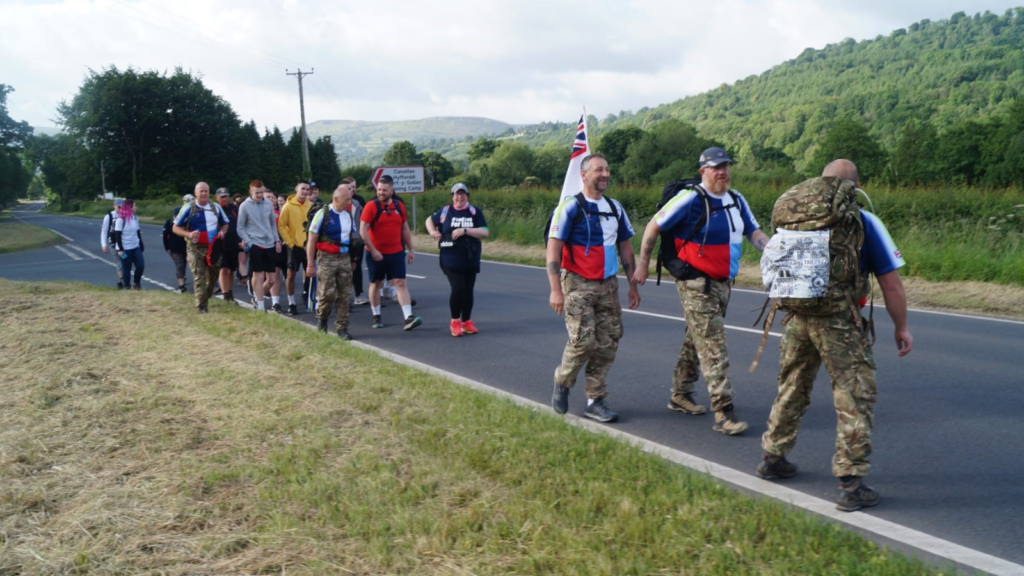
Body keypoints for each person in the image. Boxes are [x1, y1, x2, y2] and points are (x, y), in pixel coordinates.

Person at [757, 159, 913, 512]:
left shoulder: (795, 217)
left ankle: (772, 457)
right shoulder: (862, 221)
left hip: (797, 315)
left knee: (792, 386)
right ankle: (851, 482)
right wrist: (901, 327)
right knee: (854, 394)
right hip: (838, 320)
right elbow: (891, 284)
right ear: (855, 187)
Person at [632, 147, 768, 436]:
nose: (723, 171)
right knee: (713, 343)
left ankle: (680, 394)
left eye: (726, 166)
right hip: (695, 282)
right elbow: (653, 226)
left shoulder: (736, 199)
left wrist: (772, 250)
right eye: (716, 167)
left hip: (723, 283)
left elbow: (753, 233)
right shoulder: (691, 198)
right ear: (702, 170)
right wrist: (643, 264)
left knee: (697, 339)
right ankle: (724, 411)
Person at [547, 153, 640, 423]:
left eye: (608, 169)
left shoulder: (615, 208)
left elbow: (625, 247)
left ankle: (595, 399)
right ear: (584, 174)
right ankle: (563, 381)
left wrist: (632, 285)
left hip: (608, 284)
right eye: (599, 169)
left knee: (608, 341)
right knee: (583, 341)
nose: (605, 174)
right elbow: (554, 249)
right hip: (576, 283)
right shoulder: (570, 207)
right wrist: (555, 290)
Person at [358, 175, 421, 330]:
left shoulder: (399, 206)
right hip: (376, 253)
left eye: (384, 190)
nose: (381, 193)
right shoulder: (371, 206)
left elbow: (404, 228)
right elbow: (362, 230)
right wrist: (373, 250)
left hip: (396, 252)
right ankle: (376, 316)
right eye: (379, 189)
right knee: (376, 283)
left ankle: (408, 318)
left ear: (391, 191)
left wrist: (411, 249)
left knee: (400, 282)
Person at [426, 182, 489, 336]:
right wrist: (433, 232)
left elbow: (485, 232)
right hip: (450, 257)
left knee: (468, 290)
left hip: (470, 257)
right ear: (452, 196)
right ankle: (455, 321)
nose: (459, 197)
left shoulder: (474, 212)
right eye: (456, 194)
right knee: (458, 288)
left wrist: (465, 230)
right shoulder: (445, 211)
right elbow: (429, 220)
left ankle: (467, 322)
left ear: (467, 196)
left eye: (462, 194)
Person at [306, 184, 356, 340]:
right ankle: (322, 320)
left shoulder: (348, 215)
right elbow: (311, 240)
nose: (349, 202)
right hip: (326, 258)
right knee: (327, 293)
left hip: (344, 258)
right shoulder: (323, 214)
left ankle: (342, 327)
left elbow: (352, 238)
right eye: (346, 199)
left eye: (350, 199)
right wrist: (310, 264)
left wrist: (354, 259)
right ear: (336, 199)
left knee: (344, 294)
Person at [173, 182, 230, 313]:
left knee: (213, 278)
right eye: (201, 191)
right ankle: (202, 306)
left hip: (213, 248)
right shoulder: (188, 208)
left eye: (206, 191)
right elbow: (175, 227)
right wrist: (188, 234)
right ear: (195, 193)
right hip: (194, 247)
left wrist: (223, 232)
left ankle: (205, 297)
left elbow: (225, 224)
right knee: (199, 276)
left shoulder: (215, 207)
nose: (204, 193)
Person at [238, 180, 283, 312]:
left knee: (272, 280)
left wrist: (277, 240)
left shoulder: (268, 203)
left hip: (269, 243)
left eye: (262, 192)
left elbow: (272, 224)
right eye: (257, 192)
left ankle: (258, 298)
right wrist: (250, 243)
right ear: (250, 192)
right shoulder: (244, 206)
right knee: (259, 276)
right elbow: (240, 228)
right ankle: (261, 306)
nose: (260, 195)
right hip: (255, 243)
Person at [278, 181, 312, 315]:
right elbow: (281, 226)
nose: (305, 191)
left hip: (308, 246)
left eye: (307, 189)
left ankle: (309, 297)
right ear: (296, 189)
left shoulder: (311, 206)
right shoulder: (288, 206)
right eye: (302, 188)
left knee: (311, 273)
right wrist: (290, 244)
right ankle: (291, 302)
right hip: (294, 246)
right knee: (290, 274)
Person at [344, 177, 369, 306]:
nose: (352, 190)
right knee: (342, 269)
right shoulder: (333, 203)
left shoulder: (358, 202)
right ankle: (343, 297)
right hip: (342, 242)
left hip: (356, 240)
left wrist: (362, 237)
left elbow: (364, 221)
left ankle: (359, 294)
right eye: (349, 188)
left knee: (356, 266)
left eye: (353, 187)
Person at [215, 187, 241, 303]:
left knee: (231, 270)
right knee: (223, 270)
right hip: (220, 245)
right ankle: (225, 295)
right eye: (221, 197)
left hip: (234, 244)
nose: (224, 199)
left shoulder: (234, 209)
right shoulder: (214, 210)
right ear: (217, 198)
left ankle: (230, 293)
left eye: (225, 196)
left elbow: (240, 225)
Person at [113, 199, 145, 290]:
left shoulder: (135, 218)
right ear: (129, 207)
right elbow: (117, 235)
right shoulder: (120, 220)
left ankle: (136, 283)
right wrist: (120, 249)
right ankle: (126, 286)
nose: (136, 207)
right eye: (134, 205)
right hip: (124, 249)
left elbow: (138, 232)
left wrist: (141, 244)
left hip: (135, 246)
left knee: (140, 265)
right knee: (127, 267)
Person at [100, 197, 126, 289]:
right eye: (119, 207)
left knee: (125, 260)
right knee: (119, 262)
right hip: (113, 244)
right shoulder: (109, 217)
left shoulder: (124, 216)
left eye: (122, 207)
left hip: (123, 244)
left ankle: (122, 281)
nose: (120, 209)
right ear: (114, 206)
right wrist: (104, 245)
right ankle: (123, 282)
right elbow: (104, 231)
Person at [163, 206, 188, 293]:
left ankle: (182, 278)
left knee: (184, 264)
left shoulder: (186, 222)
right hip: (174, 248)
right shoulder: (169, 222)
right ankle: (181, 285)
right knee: (179, 264)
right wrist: (167, 248)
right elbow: (165, 236)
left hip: (186, 248)